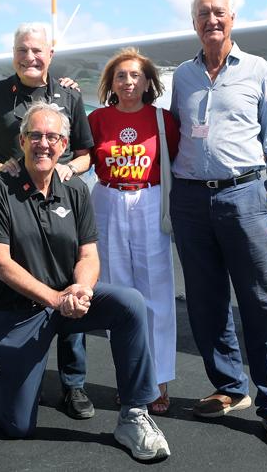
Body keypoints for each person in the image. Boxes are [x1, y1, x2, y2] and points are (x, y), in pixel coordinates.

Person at [0, 102, 170, 461]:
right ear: (23, 140)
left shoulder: (74, 190)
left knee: (129, 303)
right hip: (17, 311)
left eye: (53, 137)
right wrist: (55, 300)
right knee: (17, 425)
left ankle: (135, 414)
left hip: (65, 301)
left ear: (64, 145)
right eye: (36, 136)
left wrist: (82, 290)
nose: (44, 143)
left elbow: (88, 256)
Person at [169, 0, 267, 449]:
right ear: (194, 23)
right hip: (189, 200)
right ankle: (229, 388)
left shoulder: (258, 70)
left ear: (233, 18)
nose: (212, 20)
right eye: (203, 13)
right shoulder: (182, 76)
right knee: (205, 302)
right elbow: (171, 131)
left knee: (261, 302)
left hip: (244, 195)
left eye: (219, 12)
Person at [0, 23, 96, 419]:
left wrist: (69, 171)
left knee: (69, 286)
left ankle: (74, 385)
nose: (31, 57)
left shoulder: (69, 95)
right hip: (12, 204)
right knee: (19, 290)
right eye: (23, 50)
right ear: (13, 53)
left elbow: (84, 155)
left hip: (56, 196)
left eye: (38, 51)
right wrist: (5, 170)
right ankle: (23, 375)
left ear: (51, 54)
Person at [88, 47, 180, 415]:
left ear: (148, 82)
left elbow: (177, 160)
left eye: (136, 75)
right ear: (111, 83)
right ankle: (130, 378)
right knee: (119, 295)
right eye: (121, 75)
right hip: (108, 201)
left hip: (148, 200)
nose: (128, 81)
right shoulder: (97, 119)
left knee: (156, 292)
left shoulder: (163, 120)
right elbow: (83, 156)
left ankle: (159, 381)